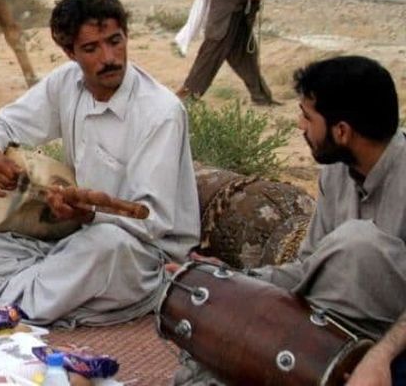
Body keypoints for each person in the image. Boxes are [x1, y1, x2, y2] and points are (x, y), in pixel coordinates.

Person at [0, 0, 199, 326]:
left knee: (103, 246)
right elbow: (1, 123)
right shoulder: (66, 83)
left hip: (140, 253)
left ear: (126, 36)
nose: (109, 58)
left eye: (115, 41)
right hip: (75, 239)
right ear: (70, 53)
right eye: (91, 48)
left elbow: (151, 220)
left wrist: (91, 214)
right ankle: (51, 286)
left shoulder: (161, 112)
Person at [173, 55, 406, 385]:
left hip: (391, 340)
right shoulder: (335, 173)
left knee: (359, 244)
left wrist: (379, 357)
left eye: (307, 117)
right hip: (329, 327)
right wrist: (234, 281)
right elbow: (310, 268)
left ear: (342, 131)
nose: (300, 125)